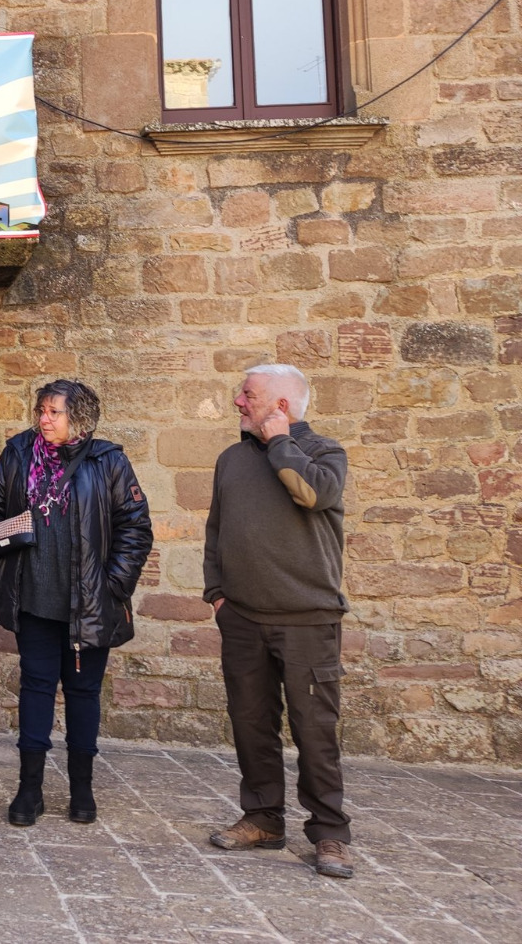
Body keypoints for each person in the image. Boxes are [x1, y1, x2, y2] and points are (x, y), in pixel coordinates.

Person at [0, 379, 153, 827]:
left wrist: (113, 584)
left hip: (91, 603)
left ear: (80, 419)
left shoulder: (107, 460)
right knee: (35, 689)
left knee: (83, 694)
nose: (43, 419)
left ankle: (82, 790)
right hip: (34, 598)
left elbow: (135, 527)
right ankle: (29, 789)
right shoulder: (18, 452)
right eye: (41, 410)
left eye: (54, 412)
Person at [204, 364, 353, 880]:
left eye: (247, 395)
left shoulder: (323, 453)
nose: (237, 402)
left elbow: (313, 494)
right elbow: (216, 530)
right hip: (242, 618)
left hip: (308, 619)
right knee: (250, 723)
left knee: (315, 730)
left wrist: (280, 442)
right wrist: (217, 596)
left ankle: (330, 832)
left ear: (281, 405)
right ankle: (263, 818)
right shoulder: (230, 460)